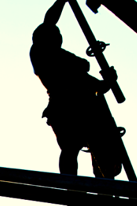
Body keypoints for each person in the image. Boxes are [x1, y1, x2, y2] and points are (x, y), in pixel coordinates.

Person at [30, 0, 122, 183]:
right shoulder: (43, 53)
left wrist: (108, 81)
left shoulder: (60, 58)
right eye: (55, 34)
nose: (59, 36)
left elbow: (94, 84)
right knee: (72, 149)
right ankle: (73, 186)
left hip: (81, 106)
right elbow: (49, 21)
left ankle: (101, 189)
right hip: (67, 107)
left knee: (94, 151)